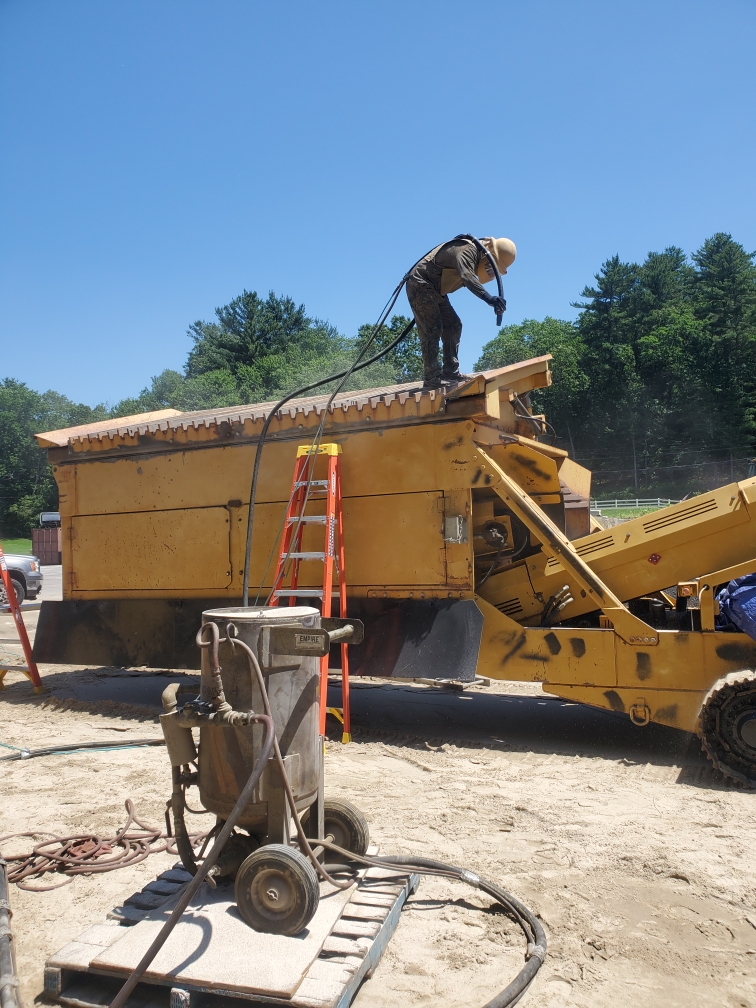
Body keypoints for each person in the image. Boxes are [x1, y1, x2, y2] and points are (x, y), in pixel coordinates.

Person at [406, 236, 516, 389]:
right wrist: (489, 299)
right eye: (491, 267)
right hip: (421, 284)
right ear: (488, 253)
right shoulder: (467, 250)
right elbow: (467, 277)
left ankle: (450, 371)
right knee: (433, 327)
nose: (489, 272)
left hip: (436, 289)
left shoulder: (475, 257)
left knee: (453, 324)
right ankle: (431, 377)